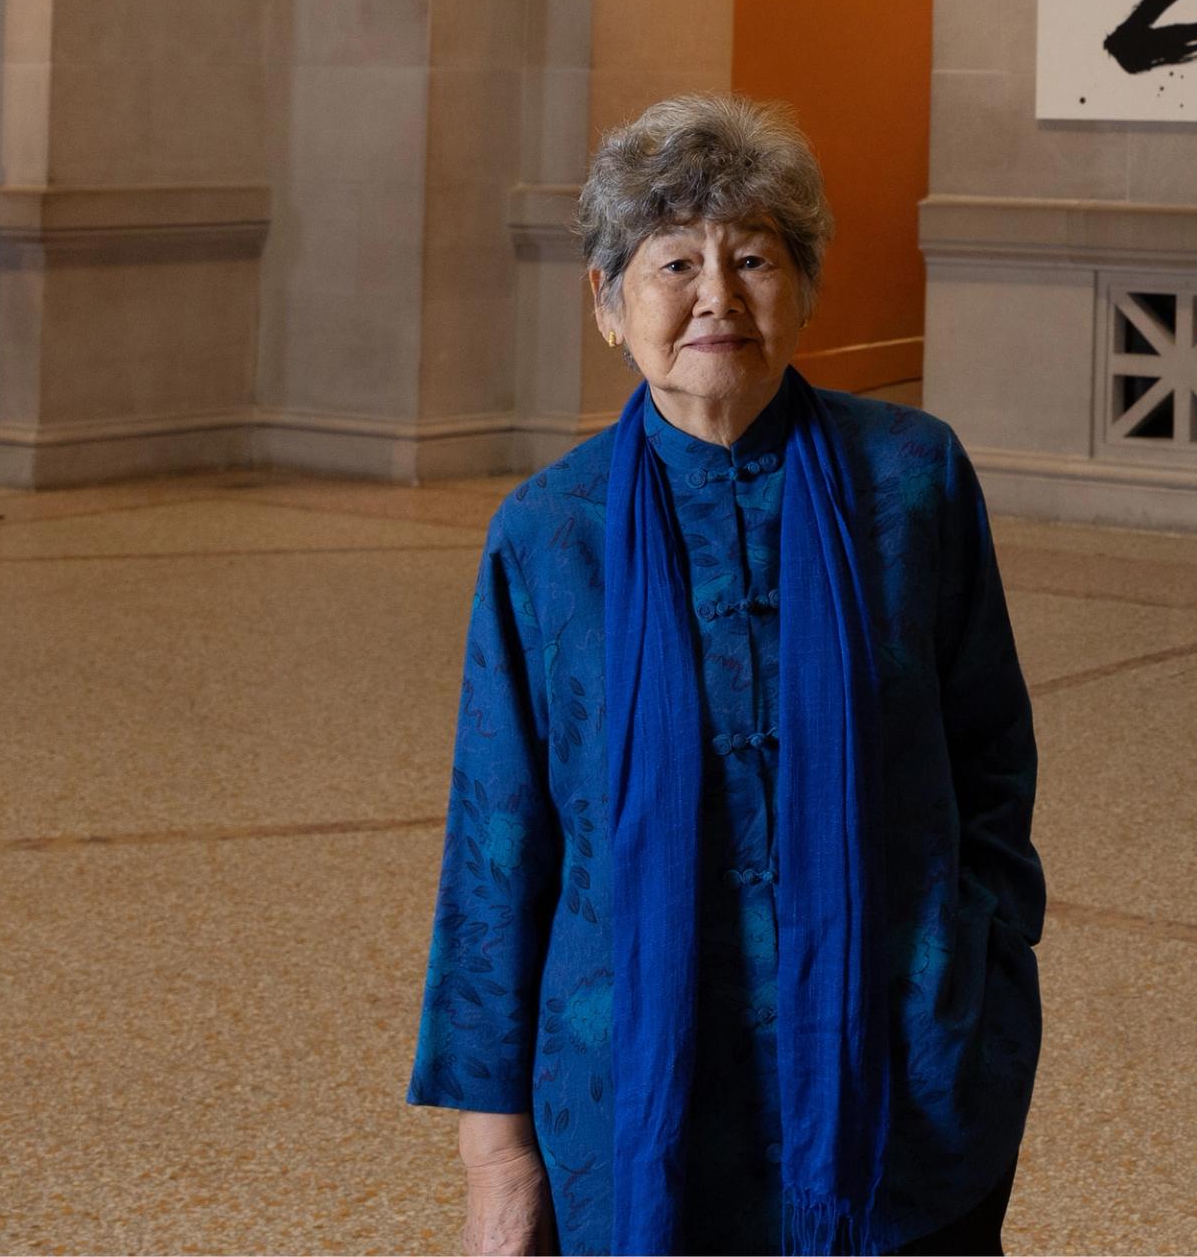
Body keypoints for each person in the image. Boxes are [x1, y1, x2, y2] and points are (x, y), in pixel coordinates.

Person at [411, 94, 1043, 1255]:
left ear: (801, 283)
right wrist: (493, 1150)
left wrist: (982, 958)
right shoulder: (550, 534)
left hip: (899, 1072)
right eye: (673, 262)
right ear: (605, 304)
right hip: (635, 1082)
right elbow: (497, 850)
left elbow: (990, 751)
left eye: (751, 255)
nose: (716, 294)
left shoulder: (913, 480)